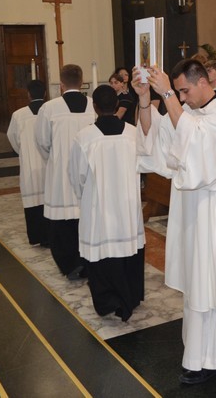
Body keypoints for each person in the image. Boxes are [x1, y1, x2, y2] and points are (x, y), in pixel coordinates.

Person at [134, 59, 216, 385]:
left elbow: (198, 147)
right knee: (198, 289)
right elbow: (157, 139)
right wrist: (145, 99)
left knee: (214, 288)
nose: (182, 98)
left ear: (202, 82)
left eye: (185, 90)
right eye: (179, 93)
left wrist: (168, 95)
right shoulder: (191, 113)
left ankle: (214, 358)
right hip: (196, 218)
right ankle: (199, 354)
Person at [69, 85, 145, 322]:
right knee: (129, 250)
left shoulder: (84, 137)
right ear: (117, 105)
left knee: (102, 255)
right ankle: (131, 296)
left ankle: (107, 301)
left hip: (99, 207)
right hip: (128, 205)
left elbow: (77, 176)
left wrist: (86, 197)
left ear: (94, 107)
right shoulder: (133, 133)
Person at [35, 64, 95, 279]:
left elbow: (42, 141)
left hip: (61, 173)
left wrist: (55, 160)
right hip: (89, 172)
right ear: (82, 82)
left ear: (61, 84)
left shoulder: (49, 108)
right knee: (87, 217)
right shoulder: (93, 105)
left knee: (61, 223)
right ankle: (87, 261)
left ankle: (69, 264)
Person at [6, 79, 49, 246]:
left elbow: (12, 137)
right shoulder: (51, 111)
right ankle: (50, 237)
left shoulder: (19, 115)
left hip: (30, 165)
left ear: (28, 94)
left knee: (33, 201)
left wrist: (23, 152)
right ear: (45, 93)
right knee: (49, 200)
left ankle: (36, 237)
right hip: (49, 164)